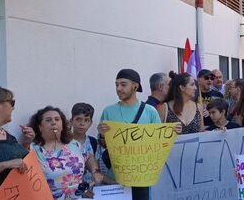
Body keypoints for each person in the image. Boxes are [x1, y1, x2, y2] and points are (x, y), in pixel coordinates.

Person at [98, 69, 172, 200]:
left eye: (123, 84)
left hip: (142, 178)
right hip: (116, 177)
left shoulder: (150, 112)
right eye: (116, 85)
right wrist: (103, 135)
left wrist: (172, 132)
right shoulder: (108, 111)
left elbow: (158, 143)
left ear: (135, 86)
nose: (119, 88)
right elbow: (104, 144)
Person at [28, 106, 103, 199]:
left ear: (62, 124)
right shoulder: (34, 149)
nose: (54, 122)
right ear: (40, 127)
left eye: (57, 119)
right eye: (48, 120)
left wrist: (95, 171)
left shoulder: (73, 144)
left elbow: (88, 157)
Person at [68, 103, 107, 189]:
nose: (82, 123)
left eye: (86, 120)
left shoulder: (93, 143)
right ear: (71, 121)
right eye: (78, 119)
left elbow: (98, 172)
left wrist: (115, 183)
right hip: (71, 192)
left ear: (90, 123)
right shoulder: (64, 143)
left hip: (91, 191)